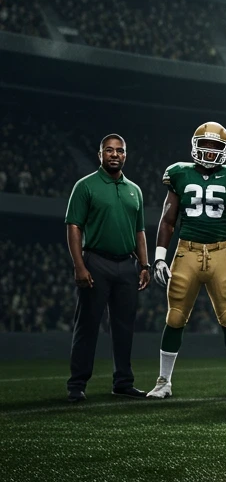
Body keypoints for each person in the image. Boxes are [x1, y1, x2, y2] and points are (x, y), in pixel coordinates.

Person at [147, 122, 226, 399]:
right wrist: (159, 257)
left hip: (221, 252)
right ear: (195, 145)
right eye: (204, 145)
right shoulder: (180, 173)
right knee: (175, 317)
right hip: (187, 251)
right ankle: (163, 381)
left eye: (215, 147)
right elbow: (167, 220)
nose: (208, 152)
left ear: (225, 150)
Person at [64, 134, 150, 401]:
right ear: (100, 154)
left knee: (124, 327)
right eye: (109, 150)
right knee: (87, 325)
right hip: (96, 262)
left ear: (125, 155)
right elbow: (74, 226)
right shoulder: (85, 186)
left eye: (120, 151)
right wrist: (79, 265)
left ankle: (123, 382)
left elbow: (140, 231)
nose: (115, 155)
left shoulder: (134, 189)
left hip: (127, 265)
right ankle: (77, 385)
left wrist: (145, 264)